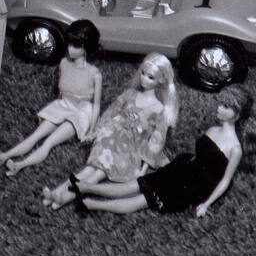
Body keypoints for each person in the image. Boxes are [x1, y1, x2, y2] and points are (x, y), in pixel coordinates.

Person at [67, 85, 252, 217]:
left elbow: (225, 180)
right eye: (220, 103)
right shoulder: (212, 130)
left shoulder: (235, 149)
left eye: (225, 107)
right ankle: (85, 187)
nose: (219, 108)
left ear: (237, 114)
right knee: (136, 185)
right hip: (183, 169)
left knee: (143, 199)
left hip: (194, 186)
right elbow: (200, 156)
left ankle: (90, 204)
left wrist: (206, 204)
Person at [42, 51, 178, 210]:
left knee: (97, 174)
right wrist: (98, 131)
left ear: (161, 81)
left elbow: (156, 141)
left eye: (150, 77)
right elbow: (111, 112)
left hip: (127, 149)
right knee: (88, 170)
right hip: (109, 139)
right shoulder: (130, 94)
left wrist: (143, 169)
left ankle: (62, 198)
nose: (143, 79)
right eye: (142, 73)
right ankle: (56, 193)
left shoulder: (159, 110)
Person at [0, 19, 101, 175]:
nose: (70, 48)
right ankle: (5, 156)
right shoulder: (64, 64)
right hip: (64, 105)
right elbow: (62, 91)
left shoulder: (94, 74)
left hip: (82, 111)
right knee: (36, 135)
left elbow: (96, 105)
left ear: (85, 48)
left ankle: (19, 165)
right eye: (70, 43)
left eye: (75, 45)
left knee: (49, 142)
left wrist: (91, 130)